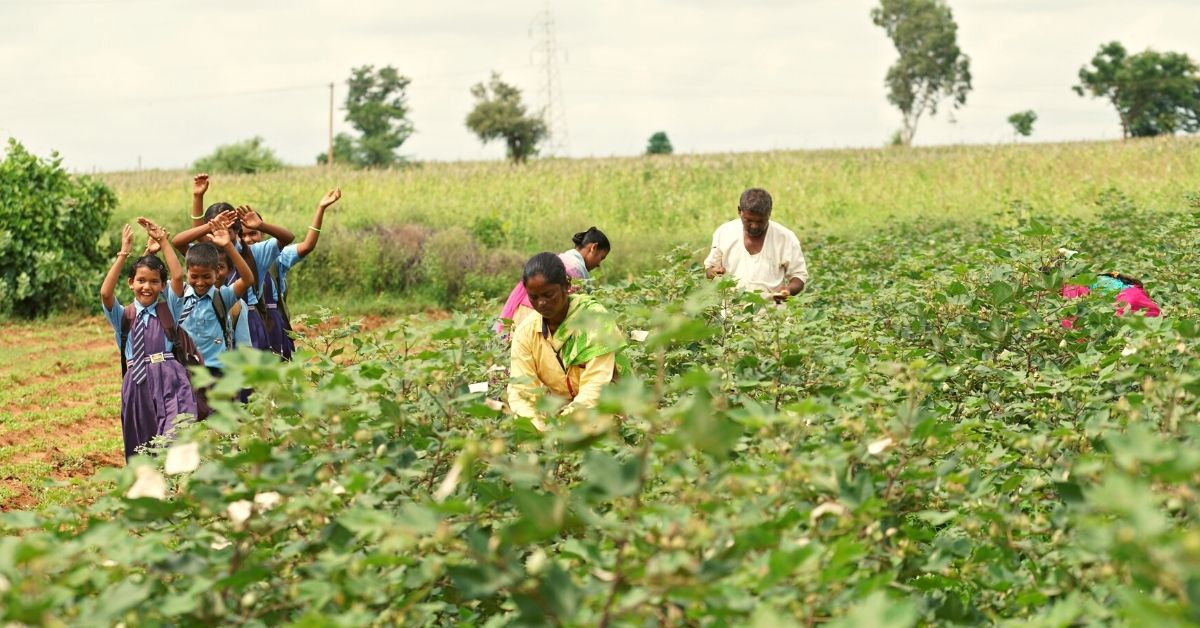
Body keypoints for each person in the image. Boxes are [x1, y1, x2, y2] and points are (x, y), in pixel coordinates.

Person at [101, 220, 197, 460]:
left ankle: (178, 487)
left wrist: (164, 241)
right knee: (141, 445)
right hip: (136, 383)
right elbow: (105, 293)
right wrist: (123, 254)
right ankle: (149, 490)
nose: (147, 286)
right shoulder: (123, 317)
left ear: (161, 286)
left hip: (170, 378)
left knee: (176, 437)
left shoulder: (169, 310)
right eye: (141, 281)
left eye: (154, 282)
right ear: (131, 284)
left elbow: (178, 275)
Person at [177, 175, 294, 352]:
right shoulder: (206, 255)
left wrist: (261, 225)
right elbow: (179, 241)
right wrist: (198, 198)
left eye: (229, 229)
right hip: (212, 319)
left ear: (238, 230)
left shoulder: (254, 252)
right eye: (216, 228)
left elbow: (288, 237)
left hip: (249, 321)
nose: (222, 234)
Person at [507, 253, 624, 427]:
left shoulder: (595, 320)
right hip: (559, 414)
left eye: (548, 295)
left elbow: (596, 386)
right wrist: (536, 427)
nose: (541, 304)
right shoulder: (526, 333)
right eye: (534, 297)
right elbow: (521, 390)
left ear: (566, 285)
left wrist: (564, 424)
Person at [174, 221, 255, 410]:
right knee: (189, 424)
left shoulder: (223, 296)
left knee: (222, 425)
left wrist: (228, 245)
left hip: (218, 373)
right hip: (187, 372)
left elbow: (248, 279)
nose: (200, 282)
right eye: (194, 276)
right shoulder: (178, 298)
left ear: (217, 272)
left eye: (206, 277)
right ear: (187, 273)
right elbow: (176, 242)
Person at [262, 188, 342, 359]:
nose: (249, 239)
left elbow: (307, 246)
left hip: (276, 324)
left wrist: (320, 208)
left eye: (253, 233)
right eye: (244, 235)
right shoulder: (235, 260)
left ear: (261, 233)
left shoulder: (276, 257)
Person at [497, 227, 611, 334]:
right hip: (536, 318)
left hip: (522, 311)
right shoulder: (574, 269)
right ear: (593, 247)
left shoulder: (563, 259)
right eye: (601, 257)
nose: (599, 264)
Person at [704, 188, 808, 303]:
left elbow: (799, 275)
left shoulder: (785, 238)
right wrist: (714, 272)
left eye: (760, 221)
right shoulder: (724, 233)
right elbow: (709, 270)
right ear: (739, 211)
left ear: (769, 213)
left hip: (772, 315)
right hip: (732, 315)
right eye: (749, 220)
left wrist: (788, 290)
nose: (754, 226)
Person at [1060, 271, 1160, 328]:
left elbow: (1072, 321)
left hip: (1123, 302)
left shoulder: (1070, 286)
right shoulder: (1096, 277)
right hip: (1138, 297)